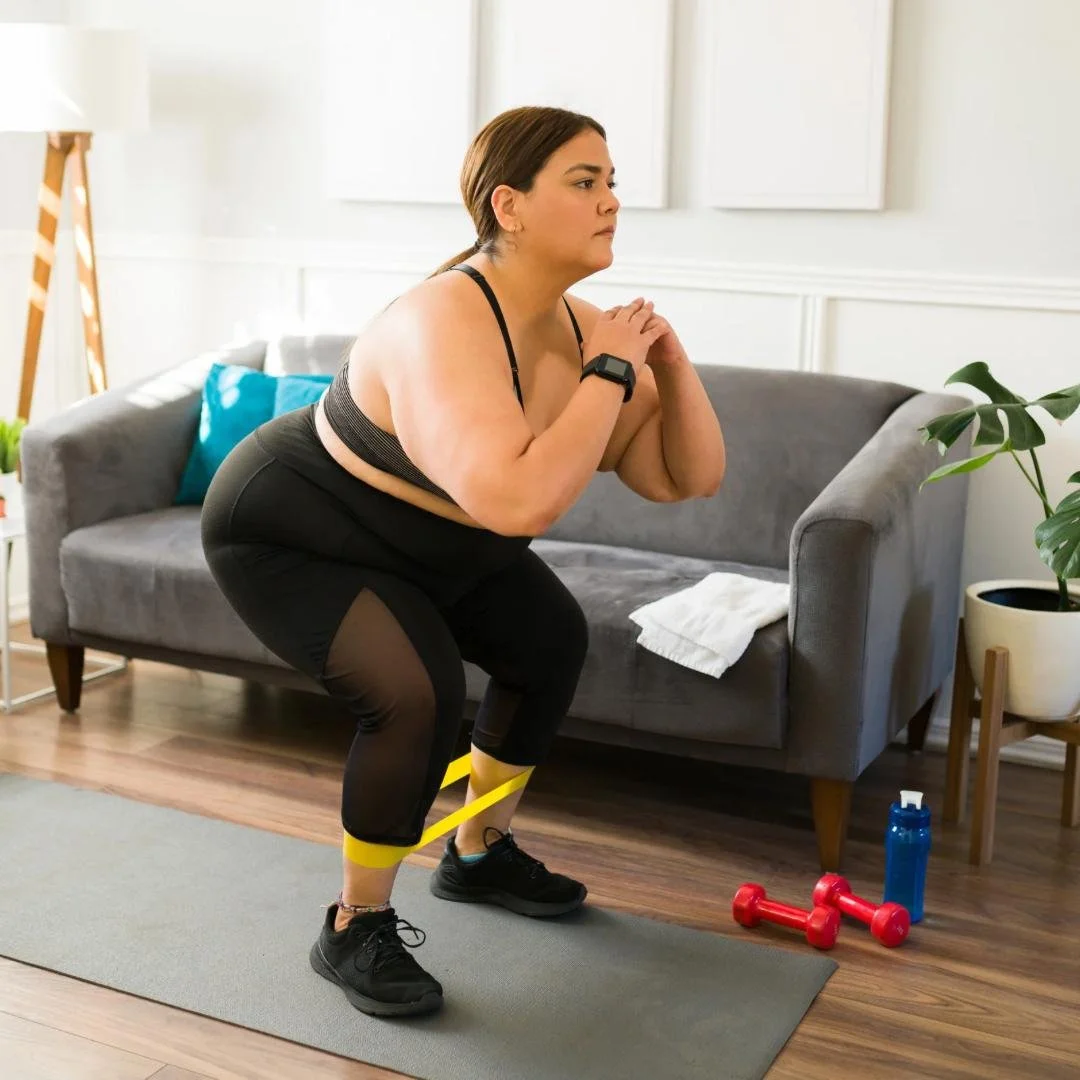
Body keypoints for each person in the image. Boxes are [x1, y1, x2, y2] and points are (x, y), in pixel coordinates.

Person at [201, 105, 726, 1019]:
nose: (612, 202)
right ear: (508, 205)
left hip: (437, 541)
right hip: (296, 527)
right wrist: (608, 374)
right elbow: (518, 501)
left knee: (550, 640)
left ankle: (477, 853)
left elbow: (685, 475)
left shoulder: (581, 328)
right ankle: (352, 925)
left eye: (613, 183)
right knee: (416, 693)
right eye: (585, 181)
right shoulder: (444, 318)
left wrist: (669, 366)